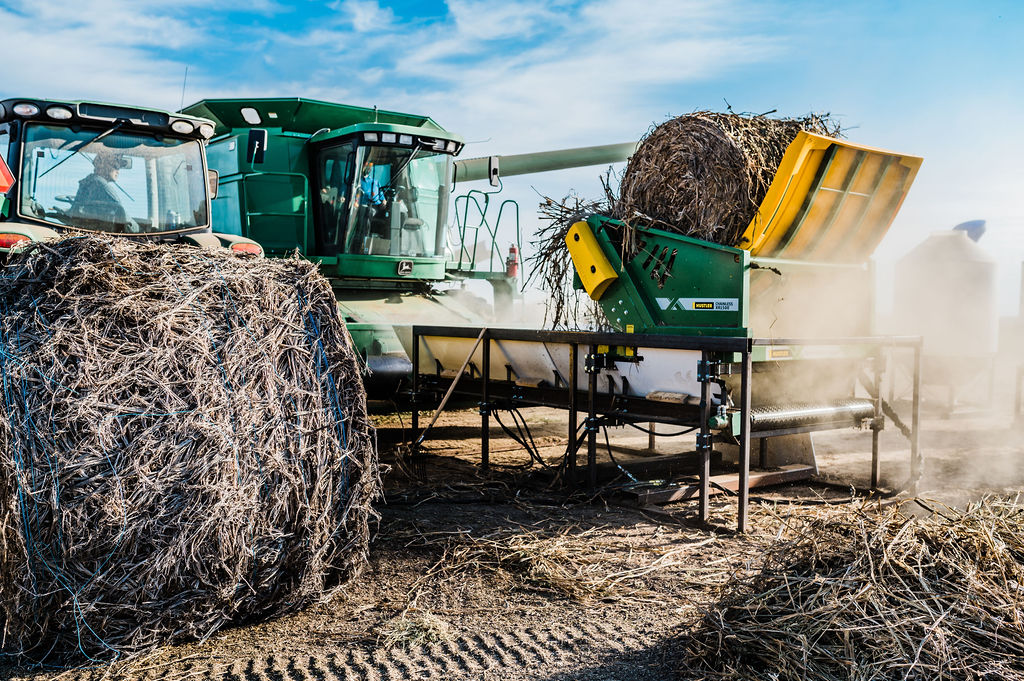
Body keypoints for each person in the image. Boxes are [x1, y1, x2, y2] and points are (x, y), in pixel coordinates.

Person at [70, 151, 128, 228]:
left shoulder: (89, 182)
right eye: (115, 166)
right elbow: (122, 215)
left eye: (119, 167)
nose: (118, 171)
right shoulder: (101, 185)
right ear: (102, 165)